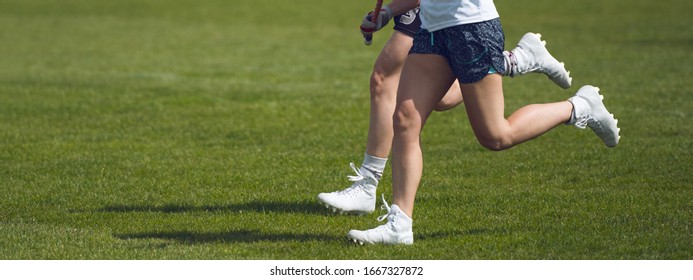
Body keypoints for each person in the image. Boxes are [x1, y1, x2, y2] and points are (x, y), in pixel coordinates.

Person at [346, 0, 620, 245]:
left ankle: (580, 106)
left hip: (472, 26)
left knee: (495, 136)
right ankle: (400, 224)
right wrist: (390, 11)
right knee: (406, 118)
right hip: (431, 29)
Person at [317, 0, 572, 215]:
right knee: (431, 101)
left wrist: (391, 10)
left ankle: (367, 185)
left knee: (493, 134)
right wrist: (387, 12)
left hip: (460, 19)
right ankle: (506, 62)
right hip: (435, 19)